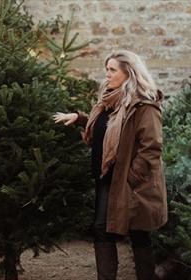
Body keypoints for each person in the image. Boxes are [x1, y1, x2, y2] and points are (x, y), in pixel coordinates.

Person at [53, 50, 167, 280]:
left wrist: (131, 178)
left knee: (138, 234)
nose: (107, 75)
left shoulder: (144, 105)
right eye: (107, 69)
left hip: (132, 183)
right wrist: (81, 118)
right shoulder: (108, 100)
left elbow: (151, 148)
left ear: (128, 72)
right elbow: (106, 128)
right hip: (107, 177)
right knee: (102, 230)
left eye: (112, 70)